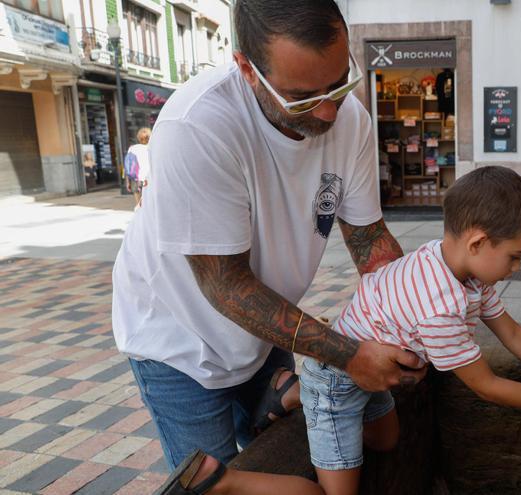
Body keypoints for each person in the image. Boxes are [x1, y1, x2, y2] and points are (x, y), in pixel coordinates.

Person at [156, 166, 521, 495]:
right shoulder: (440, 305)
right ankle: (224, 480)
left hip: (371, 364)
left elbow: (512, 331)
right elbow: (488, 386)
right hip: (339, 378)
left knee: (387, 440)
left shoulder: (457, 264)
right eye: (515, 256)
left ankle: (290, 392)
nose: (517, 268)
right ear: (478, 241)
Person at [111, 0, 426, 481]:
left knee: (280, 458)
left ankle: (280, 392)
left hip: (263, 331)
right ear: (246, 68)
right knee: (218, 482)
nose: (327, 111)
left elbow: (367, 237)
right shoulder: (198, 126)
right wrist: (349, 355)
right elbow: (227, 286)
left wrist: (413, 319)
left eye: (341, 83)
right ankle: (278, 396)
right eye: (302, 97)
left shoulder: (352, 120)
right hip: (179, 343)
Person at [124, 127, 151, 208]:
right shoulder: (152, 148)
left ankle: (140, 218)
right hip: (149, 179)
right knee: (150, 206)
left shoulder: (132, 148)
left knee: (139, 206)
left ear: (139, 138)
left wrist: (127, 181)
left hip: (136, 180)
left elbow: (128, 166)